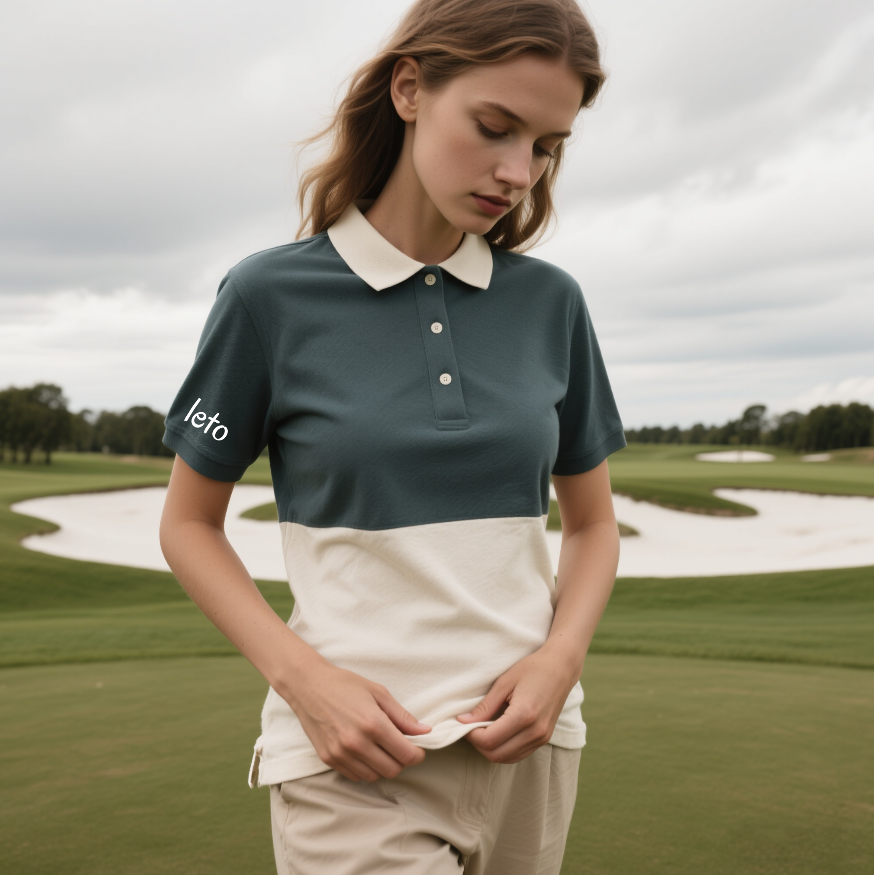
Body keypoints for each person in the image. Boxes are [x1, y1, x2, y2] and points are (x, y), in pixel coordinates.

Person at [158, 0, 626, 871]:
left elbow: (594, 526)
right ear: (410, 88)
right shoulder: (268, 298)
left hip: (531, 749)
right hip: (355, 759)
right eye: (495, 127)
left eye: (545, 146)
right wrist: (307, 684)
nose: (518, 170)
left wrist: (561, 660)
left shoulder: (551, 304)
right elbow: (187, 525)